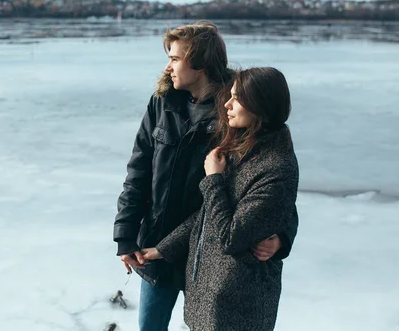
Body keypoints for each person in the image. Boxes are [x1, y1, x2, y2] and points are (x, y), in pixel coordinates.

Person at [112, 22, 299, 331]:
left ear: (198, 64)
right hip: (159, 243)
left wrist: (282, 238)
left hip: (211, 254)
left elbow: (272, 188)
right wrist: (125, 236)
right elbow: (138, 172)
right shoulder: (161, 104)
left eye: (175, 58)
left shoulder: (237, 112)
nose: (168, 66)